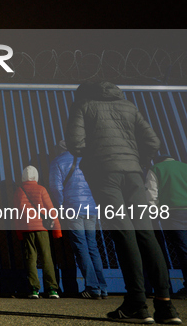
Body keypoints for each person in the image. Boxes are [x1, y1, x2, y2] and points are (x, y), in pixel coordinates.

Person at [66, 80, 181, 324]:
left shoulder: (83, 106)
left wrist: (96, 157)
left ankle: (137, 304)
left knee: (123, 234)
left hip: (105, 174)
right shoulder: (128, 106)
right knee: (146, 235)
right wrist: (135, 161)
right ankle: (166, 306)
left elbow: (75, 143)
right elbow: (153, 142)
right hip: (134, 174)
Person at [49, 139, 108, 299]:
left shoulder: (57, 162)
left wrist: (62, 206)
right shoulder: (87, 160)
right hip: (91, 207)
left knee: (81, 247)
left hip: (73, 208)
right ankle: (102, 287)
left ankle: (92, 287)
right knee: (93, 247)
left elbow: (56, 187)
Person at [15, 165, 62, 299]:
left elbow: (16, 214)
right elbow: (51, 209)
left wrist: (19, 232)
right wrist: (57, 229)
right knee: (47, 258)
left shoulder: (19, 191)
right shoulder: (41, 189)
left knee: (31, 258)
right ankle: (52, 289)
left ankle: (34, 289)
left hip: (27, 229)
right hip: (42, 228)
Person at [146, 154, 187, 300]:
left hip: (173, 212)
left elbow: (151, 195)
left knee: (183, 248)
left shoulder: (156, 169)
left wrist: (154, 214)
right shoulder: (184, 167)